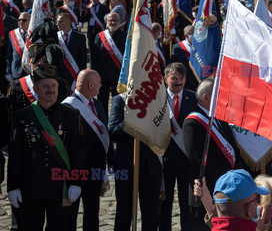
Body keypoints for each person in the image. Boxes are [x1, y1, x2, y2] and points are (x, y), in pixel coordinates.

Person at [7, 64, 84, 231]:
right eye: (45, 86)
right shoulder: (23, 115)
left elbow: (76, 151)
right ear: (35, 89)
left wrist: (76, 182)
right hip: (30, 187)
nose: (50, 90)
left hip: (60, 187)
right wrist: (13, 186)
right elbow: (15, 154)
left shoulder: (70, 115)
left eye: (53, 86)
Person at [182, 78, 247, 230]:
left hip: (227, 191)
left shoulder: (219, 118)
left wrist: (235, 174)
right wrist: (226, 176)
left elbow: (233, 148)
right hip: (206, 192)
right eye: (218, 95)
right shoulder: (192, 123)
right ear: (206, 98)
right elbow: (197, 160)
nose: (222, 100)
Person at [108, 93, 162, 231]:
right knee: (124, 214)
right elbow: (113, 131)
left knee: (151, 215)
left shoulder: (156, 100)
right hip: (126, 166)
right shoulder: (119, 100)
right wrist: (131, 121)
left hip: (151, 166)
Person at [64, 69, 109, 231]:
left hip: (95, 171)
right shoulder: (67, 107)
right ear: (91, 85)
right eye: (99, 83)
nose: (101, 86)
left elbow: (103, 137)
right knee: (69, 217)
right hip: (74, 172)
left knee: (92, 215)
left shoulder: (96, 104)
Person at [159, 63, 198, 231]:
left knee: (186, 204)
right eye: (174, 78)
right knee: (164, 204)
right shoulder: (157, 99)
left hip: (186, 161)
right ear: (165, 79)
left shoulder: (193, 98)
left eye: (181, 78)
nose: (178, 82)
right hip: (164, 159)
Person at [91, 12, 126, 115]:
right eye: (110, 20)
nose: (113, 22)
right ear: (106, 22)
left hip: (119, 77)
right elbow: (94, 57)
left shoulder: (125, 37)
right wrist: (94, 75)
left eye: (115, 20)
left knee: (118, 103)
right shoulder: (100, 36)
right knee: (101, 103)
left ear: (120, 22)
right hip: (102, 77)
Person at [56, 13, 88, 91]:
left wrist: (81, 75)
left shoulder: (80, 37)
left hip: (74, 74)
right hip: (60, 74)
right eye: (57, 22)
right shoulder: (56, 37)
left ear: (68, 22)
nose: (57, 24)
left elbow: (83, 57)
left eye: (60, 22)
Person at [171, 25, 198, 91]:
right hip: (186, 81)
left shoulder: (200, 46)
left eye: (195, 33)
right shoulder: (177, 47)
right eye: (191, 33)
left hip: (199, 80)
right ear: (186, 35)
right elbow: (174, 64)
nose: (194, 35)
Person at [6, 12, 30, 81]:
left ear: (30, 21)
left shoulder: (34, 34)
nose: (21, 22)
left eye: (24, 20)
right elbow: (9, 55)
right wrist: (8, 72)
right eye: (19, 20)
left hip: (29, 71)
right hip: (16, 72)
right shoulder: (12, 34)